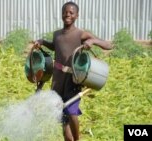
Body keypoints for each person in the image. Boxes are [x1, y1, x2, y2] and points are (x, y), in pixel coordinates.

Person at [33, 1, 112, 141]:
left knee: (71, 111)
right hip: (57, 80)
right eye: (65, 12)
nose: (68, 15)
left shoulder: (81, 34)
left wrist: (92, 41)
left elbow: (108, 45)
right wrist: (43, 42)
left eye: (71, 13)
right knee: (63, 117)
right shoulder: (57, 34)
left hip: (73, 80)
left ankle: (78, 139)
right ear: (61, 14)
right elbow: (56, 47)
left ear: (77, 16)